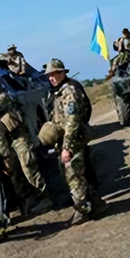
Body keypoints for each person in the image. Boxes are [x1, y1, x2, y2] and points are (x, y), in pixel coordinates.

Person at [41, 59, 106, 226]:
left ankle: (82, 210)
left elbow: (72, 121)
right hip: (68, 138)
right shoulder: (59, 91)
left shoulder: (69, 91)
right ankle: (96, 204)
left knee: (74, 176)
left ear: (63, 73)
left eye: (54, 74)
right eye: (49, 75)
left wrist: (67, 147)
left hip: (73, 139)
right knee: (79, 173)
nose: (51, 78)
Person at [0, 75, 53, 216]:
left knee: (29, 167)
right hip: (7, 142)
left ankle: (44, 198)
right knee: (15, 173)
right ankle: (28, 200)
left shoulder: (2, 98)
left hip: (19, 138)